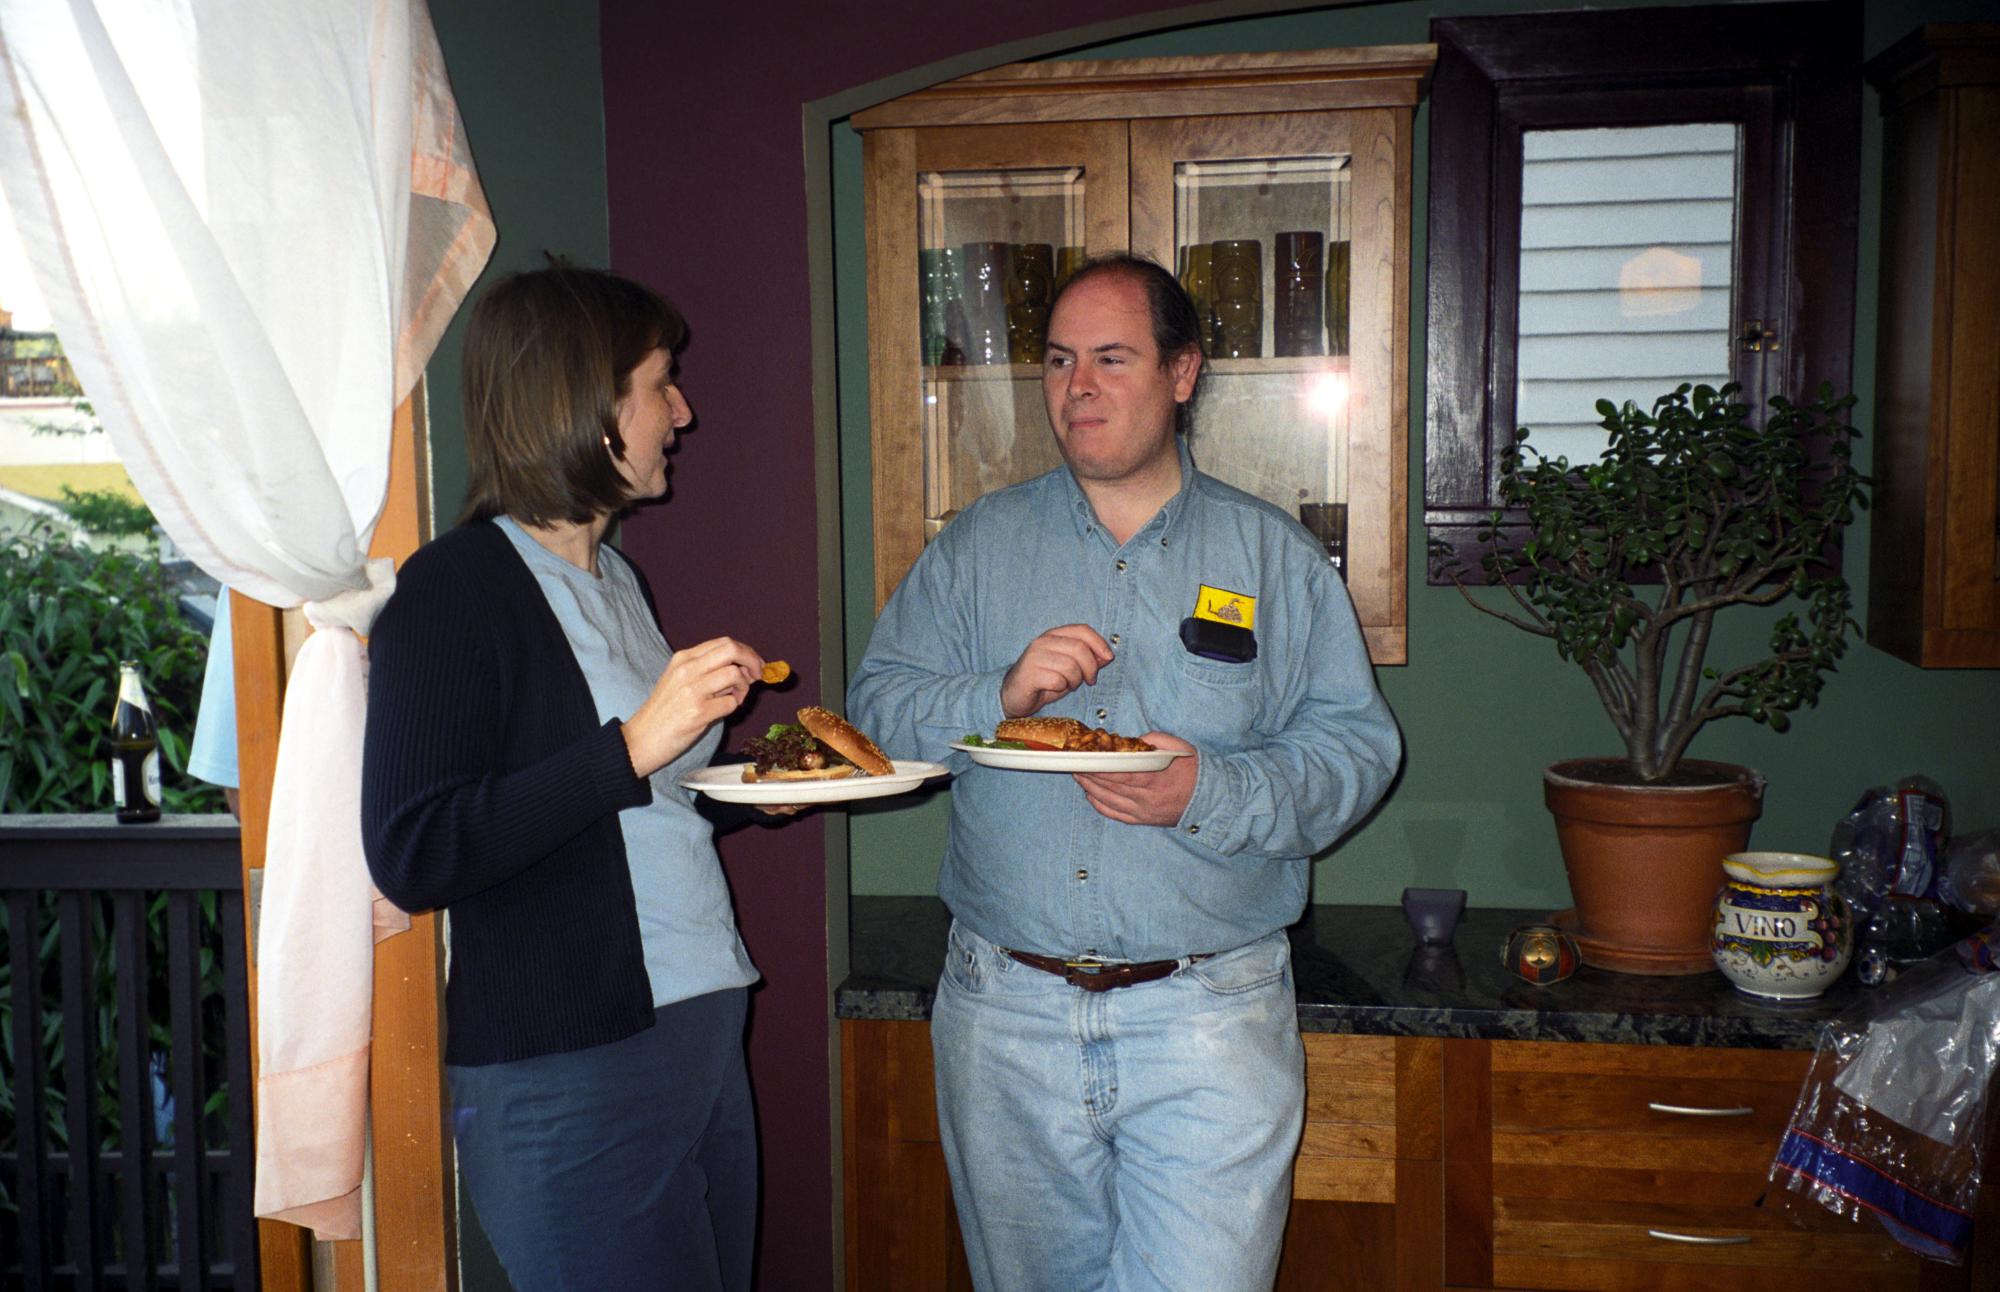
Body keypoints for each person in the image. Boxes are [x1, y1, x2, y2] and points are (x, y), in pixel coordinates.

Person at [848, 254, 1402, 1291]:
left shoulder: (1270, 558)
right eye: (1058, 361)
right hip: (1000, 1012)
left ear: (1181, 372)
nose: (1077, 388)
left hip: (1208, 1015)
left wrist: (1209, 791)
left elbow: (1354, 751)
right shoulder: (973, 548)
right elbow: (876, 714)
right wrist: (996, 694)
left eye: (1111, 357)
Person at [361, 263, 791, 1291]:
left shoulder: (618, 579)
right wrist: (636, 744)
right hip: (567, 1068)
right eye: (660, 382)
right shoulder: (451, 589)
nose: (681, 411)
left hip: (697, 1029)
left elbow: (616, 805)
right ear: (583, 402)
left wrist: (737, 788)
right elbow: (416, 845)